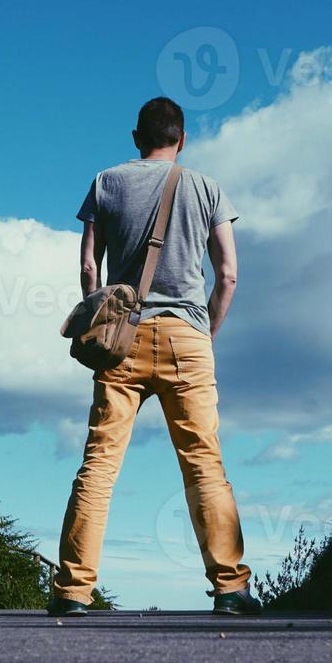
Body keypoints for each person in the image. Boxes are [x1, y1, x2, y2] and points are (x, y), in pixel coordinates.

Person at [49, 97, 260, 617]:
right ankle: (230, 589)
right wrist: (204, 332)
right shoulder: (206, 187)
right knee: (204, 464)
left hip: (121, 337)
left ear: (135, 136)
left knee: (98, 464)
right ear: (181, 139)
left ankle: (73, 592)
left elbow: (86, 270)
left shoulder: (105, 183)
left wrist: (101, 321)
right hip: (188, 336)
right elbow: (228, 273)